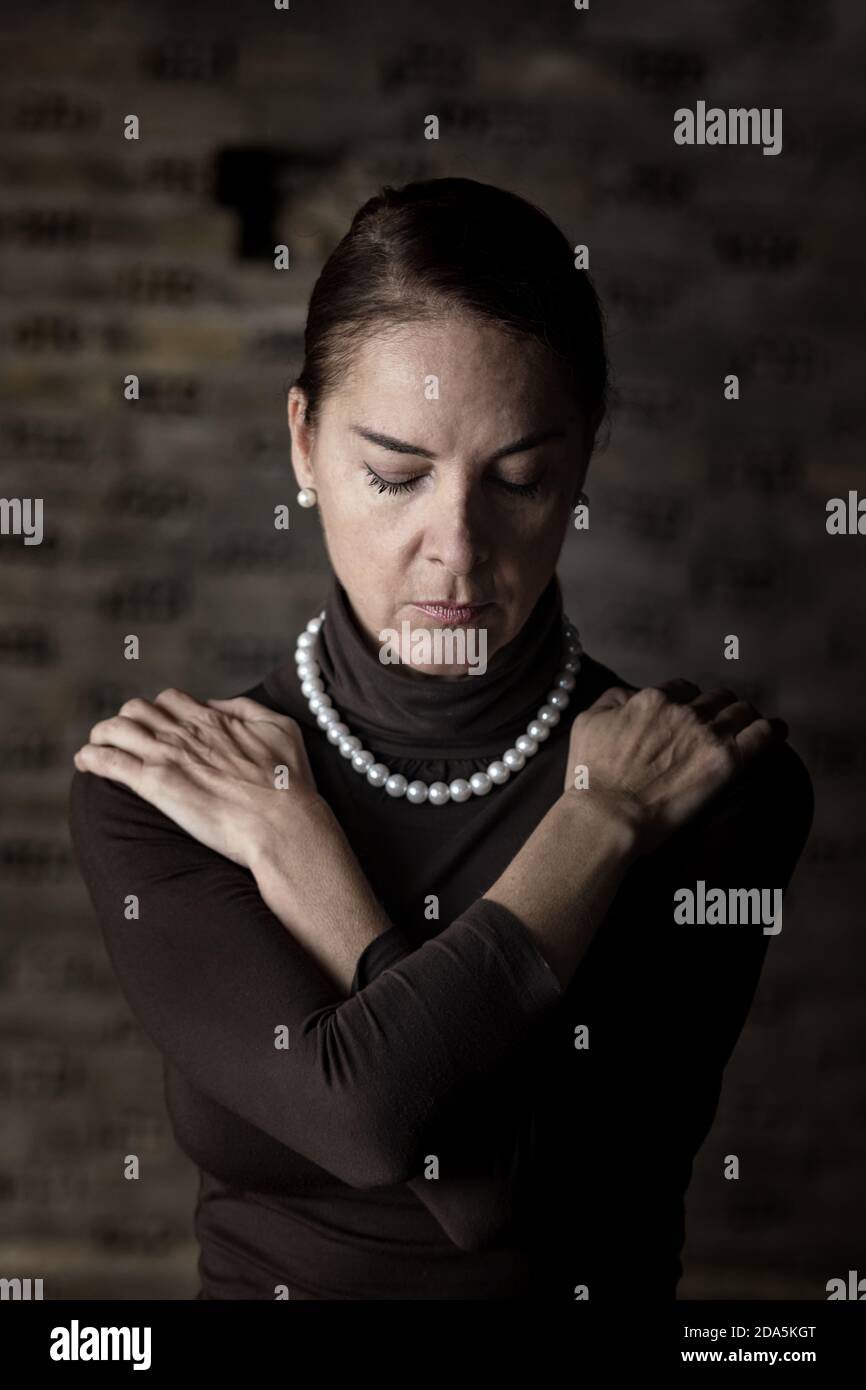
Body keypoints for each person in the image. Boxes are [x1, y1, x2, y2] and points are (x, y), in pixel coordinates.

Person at [68, 177, 814, 1301]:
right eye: (395, 474)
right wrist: (592, 835)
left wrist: (312, 858)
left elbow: (486, 1195)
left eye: (517, 478)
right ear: (303, 446)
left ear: (582, 460)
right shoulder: (167, 787)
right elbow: (380, 1126)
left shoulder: (710, 789)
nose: (454, 549)